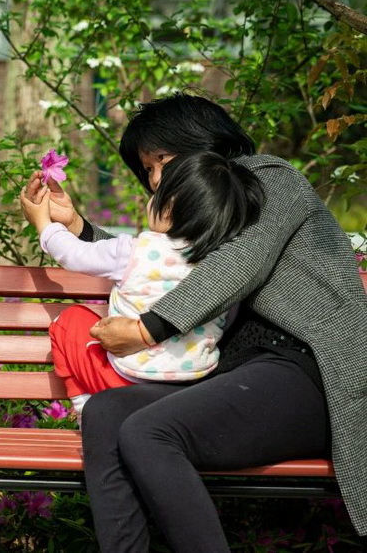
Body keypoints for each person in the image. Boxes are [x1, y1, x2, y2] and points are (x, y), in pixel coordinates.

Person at [22, 93, 367, 552]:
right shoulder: (210, 211)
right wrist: (77, 227)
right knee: (105, 414)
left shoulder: (271, 179)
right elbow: (157, 265)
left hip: (311, 373)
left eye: (161, 160)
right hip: (241, 374)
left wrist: (146, 329)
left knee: (149, 432)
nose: (155, 179)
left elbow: (238, 263)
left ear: (200, 137)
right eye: (147, 169)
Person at [22, 151, 264, 420]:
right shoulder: (219, 267)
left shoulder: (135, 250)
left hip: (123, 381)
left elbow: (74, 254)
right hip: (191, 389)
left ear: (168, 207)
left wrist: (43, 223)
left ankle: (84, 407)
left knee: (68, 321)